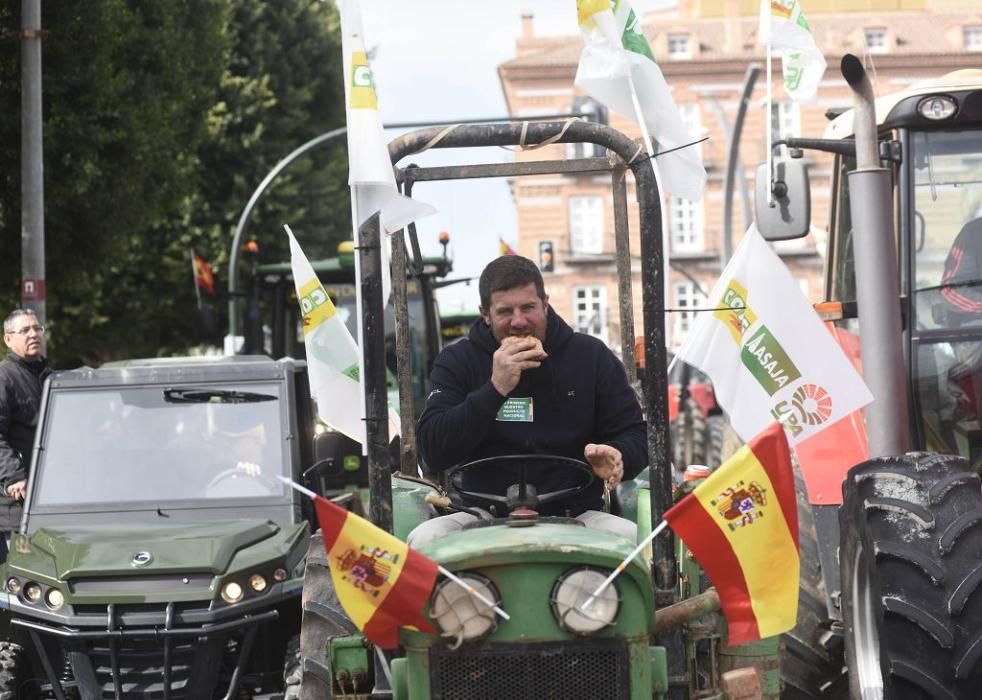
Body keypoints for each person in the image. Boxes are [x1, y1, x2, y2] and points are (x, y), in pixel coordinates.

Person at [413, 255, 646, 544]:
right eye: (504, 311)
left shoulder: (590, 356)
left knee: (634, 540)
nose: (519, 321)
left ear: (545, 303)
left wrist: (618, 454)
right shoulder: (458, 361)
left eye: (528, 307)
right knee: (424, 540)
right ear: (484, 313)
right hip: (479, 513)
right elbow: (432, 450)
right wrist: (495, 388)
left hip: (577, 514)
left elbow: (637, 435)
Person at [0, 309, 51, 560]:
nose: (33, 334)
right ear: (8, 339)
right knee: (27, 571)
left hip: (50, 498)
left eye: (37, 328)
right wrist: (15, 477)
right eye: (25, 330)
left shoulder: (49, 375)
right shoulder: (4, 377)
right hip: (18, 504)